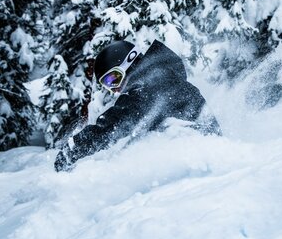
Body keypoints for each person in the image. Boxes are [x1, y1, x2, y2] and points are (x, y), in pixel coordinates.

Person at [54, 40, 221, 172]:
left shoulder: (149, 86)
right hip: (203, 153)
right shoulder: (163, 76)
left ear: (129, 62)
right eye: (108, 84)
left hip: (195, 157)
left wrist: (72, 151)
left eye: (113, 78)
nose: (115, 88)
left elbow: (112, 126)